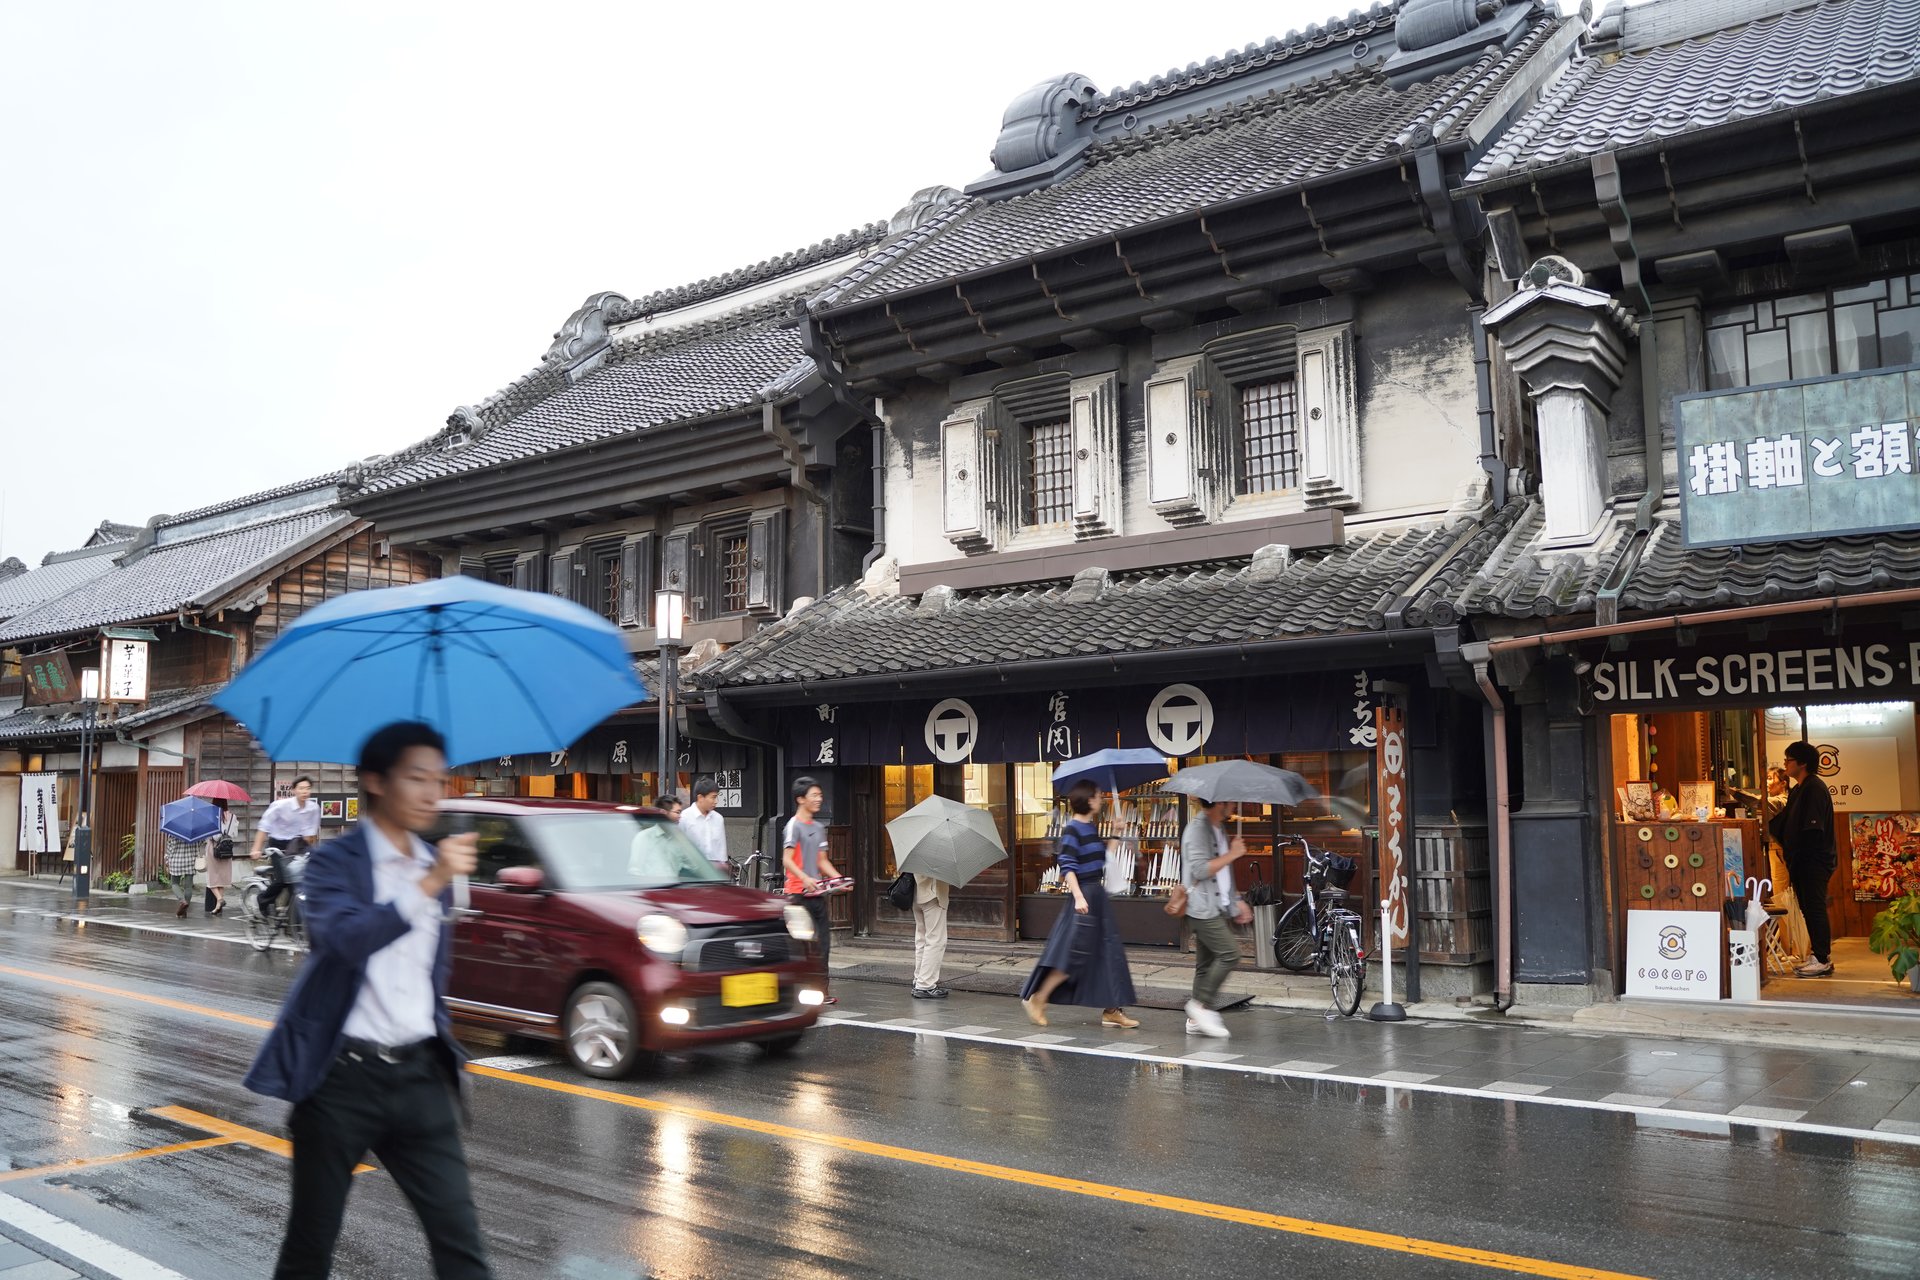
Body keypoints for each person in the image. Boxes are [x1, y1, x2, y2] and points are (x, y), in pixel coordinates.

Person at [244, 722, 491, 1279]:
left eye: (440, 779)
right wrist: (428, 885)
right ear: (376, 782)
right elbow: (343, 941)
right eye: (417, 778)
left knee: (461, 1245)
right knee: (311, 1247)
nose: (434, 792)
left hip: (421, 1078)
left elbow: (430, 975)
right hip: (342, 1081)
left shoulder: (438, 863)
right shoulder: (336, 863)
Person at [1021, 781, 1139, 1029]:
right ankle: (1039, 998)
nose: (1101, 799)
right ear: (1087, 800)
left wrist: (1116, 834)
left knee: (1107, 954)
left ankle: (1111, 1009)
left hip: (1096, 894)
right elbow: (1067, 865)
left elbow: (1101, 860)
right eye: (1097, 796)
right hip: (1084, 896)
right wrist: (1079, 896)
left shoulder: (1089, 827)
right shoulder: (1073, 829)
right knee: (1074, 955)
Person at [1181, 797, 1252, 1038]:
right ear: (1218, 802)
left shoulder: (1219, 828)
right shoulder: (1197, 829)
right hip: (1201, 907)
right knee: (1230, 954)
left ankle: (1194, 1020)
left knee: (1205, 964)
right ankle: (1199, 1006)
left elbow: (1224, 874)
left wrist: (1237, 900)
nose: (1234, 805)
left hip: (1217, 905)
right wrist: (1233, 853)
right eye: (1230, 801)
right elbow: (1200, 869)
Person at [1772, 740, 1837, 978]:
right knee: (1808, 909)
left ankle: (1822, 958)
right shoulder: (1799, 789)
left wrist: (1799, 859)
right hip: (1800, 860)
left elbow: (1812, 830)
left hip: (1814, 861)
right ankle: (1818, 956)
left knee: (1815, 907)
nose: (1785, 764)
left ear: (1803, 763)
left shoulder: (1814, 789)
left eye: (1789, 760)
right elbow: (1785, 822)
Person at [783, 776, 841, 1000]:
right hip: (797, 895)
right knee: (800, 946)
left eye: (820, 795)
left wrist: (839, 879)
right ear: (800, 799)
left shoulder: (818, 827)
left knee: (822, 945)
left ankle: (821, 992)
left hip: (817, 895)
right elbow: (787, 860)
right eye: (814, 795)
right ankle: (795, 991)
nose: (819, 799)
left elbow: (822, 861)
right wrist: (804, 877)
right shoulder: (793, 826)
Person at [253, 775, 321, 861]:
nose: (305, 791)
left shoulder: (313, 808)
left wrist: (313, 851)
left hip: (298, 844)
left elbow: (311, 834)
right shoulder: (280, 805)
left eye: (308, 788)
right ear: (293, 790)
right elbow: (264, 826)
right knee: (280, 871)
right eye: (301, 788)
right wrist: (256, 849)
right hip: (278, 843)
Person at [911, 873, 952, 999]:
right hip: (933, 895)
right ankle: (925, 984)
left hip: (917, 893)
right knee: (936, 940)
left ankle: (919, 979)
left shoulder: (915, 853)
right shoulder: (937, 853)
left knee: (922, 939)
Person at [679, 777, 728, 876]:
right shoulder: (684, 817)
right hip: (690, 873)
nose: (716, 801)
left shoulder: (718, 818)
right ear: (700, 797)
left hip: (714, 873)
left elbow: (721, 848)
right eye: (713, 797)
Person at [204, 799, 241, 916]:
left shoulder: (213, 816)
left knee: (211, 877)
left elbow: (214, 837)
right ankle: (218, 906)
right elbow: (234, 834)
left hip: (214, 848)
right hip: (227, 849)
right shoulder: (233, 816)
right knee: (221, 878)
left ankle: (219, 899)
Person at [163, 828, 201, 918]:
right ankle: (184, 911)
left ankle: (182, 901)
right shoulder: (195, 831)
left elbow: (170, 848)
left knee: (174, 883)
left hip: (176, 861)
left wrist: (167, 861)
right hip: (190, 861)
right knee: (188, 887)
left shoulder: (174, 831)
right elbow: (199, 843)